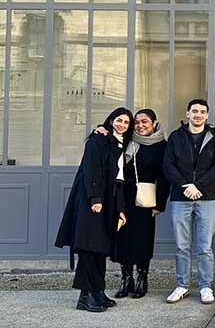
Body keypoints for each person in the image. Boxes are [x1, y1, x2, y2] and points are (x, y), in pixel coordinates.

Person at [55, 107, 133, 312]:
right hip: (93, 200)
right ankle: (85, 296)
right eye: (119, 120)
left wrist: (120, 209)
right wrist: (95, 198)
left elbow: (119, 180)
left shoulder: (118, 142)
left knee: (100, 248)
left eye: (126, 122)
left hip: (110, 201)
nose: (122, 125)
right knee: (89, 247)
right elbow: (92, 169)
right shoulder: (98, 140)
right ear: (111, 119)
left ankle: (98, 291)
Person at [163, 99, 215, 305]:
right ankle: (182, 285)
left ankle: (205, 286)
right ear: (188, 113)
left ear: (207, 115)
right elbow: (168, 166)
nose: (198, 115)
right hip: (181, 198)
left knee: (205, 246)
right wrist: (186, 186)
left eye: (202, 112)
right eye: (194, 111)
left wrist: (197, 185)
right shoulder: (175, 136)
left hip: (206, 198)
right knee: (182, 246)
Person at [114, 109, 169, 299]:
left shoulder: (162, 145)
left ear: (154, 123)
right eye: (136, 122)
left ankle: (142, 278)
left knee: (143, 240)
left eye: (145, 122)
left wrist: (159, 204)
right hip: (124, 198)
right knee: (123, 239)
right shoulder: (127, 140)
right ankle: (126, 279)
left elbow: (164, 177)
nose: (140, 126)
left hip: (146, 199)